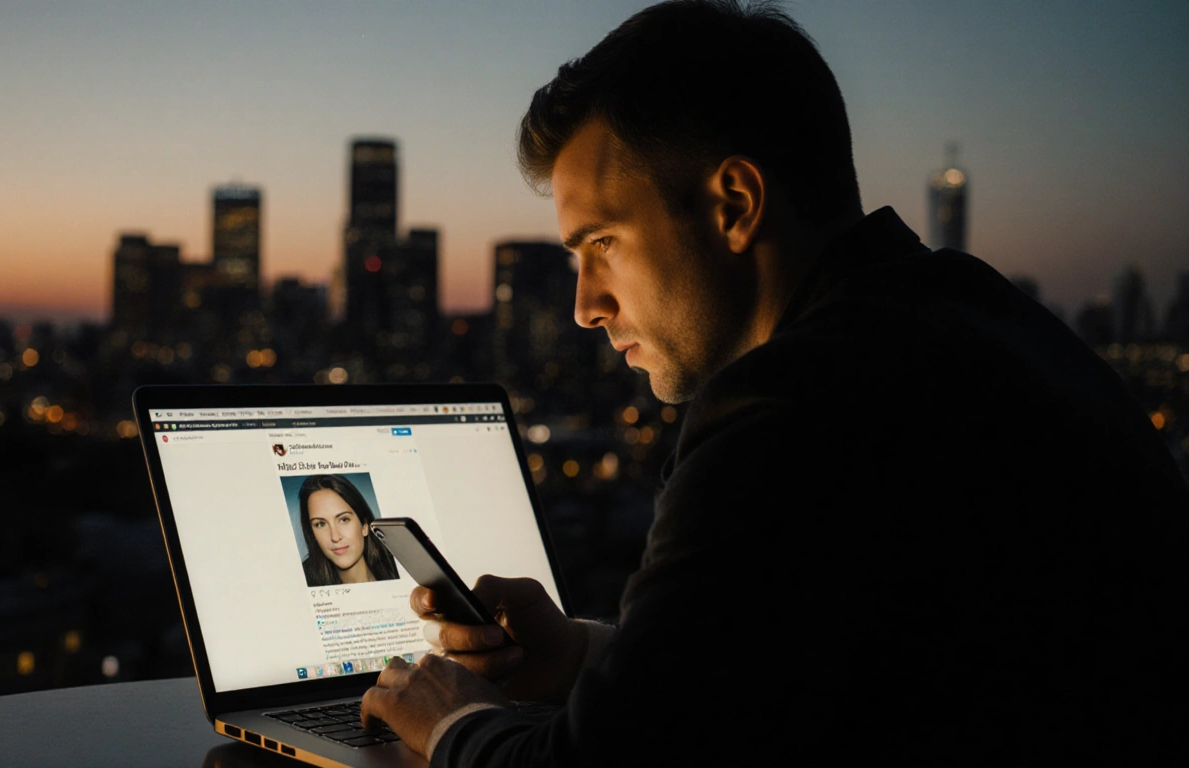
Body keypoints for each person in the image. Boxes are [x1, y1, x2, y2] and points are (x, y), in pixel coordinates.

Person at [359, 1, 1189, 764]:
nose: (585, 306)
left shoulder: (794, 407)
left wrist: (448, 719)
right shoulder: (976, 320)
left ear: (733, 203)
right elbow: (816, 669)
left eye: (603, 242)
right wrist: (581, 655)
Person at [298, 474, 400, 587]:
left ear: (364, 526)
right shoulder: (301, 586)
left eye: (343, 520)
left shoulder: (401, 570)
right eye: (321, 524)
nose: (335, 537)